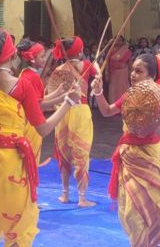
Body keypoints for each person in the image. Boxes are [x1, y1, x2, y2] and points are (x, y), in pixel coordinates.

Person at [0, 29, 80, 246]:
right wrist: (68, 103)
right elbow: (42, 128)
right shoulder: (21, 84)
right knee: (17, 224)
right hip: (7, 162)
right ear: (10, 55)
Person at [92, 54, 160, 246]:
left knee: (151, 210)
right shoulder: (129, 96)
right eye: (132, 70)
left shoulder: (158, 100)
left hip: (149, 157)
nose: (133, 75)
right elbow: (107, 111)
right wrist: (98, 92)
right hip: (129, 155)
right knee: (131, 211)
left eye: (139, 71)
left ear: (151, 76)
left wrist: (148, 117)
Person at [52, 36, 97, 207]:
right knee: (81, 153)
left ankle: (64, 194)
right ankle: (82, 197)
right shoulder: (85, 66)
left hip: (63, 110)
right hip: (80, 111)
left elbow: (54, 93)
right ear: (79, 51)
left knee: (64, 152)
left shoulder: (59, 70)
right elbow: (98, 73)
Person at [17, 39, 68, 164]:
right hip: (31, 122)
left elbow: (37, 99)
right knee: (30, 159)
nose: (45, 59)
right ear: (33, 59)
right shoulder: (32, 77)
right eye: (42, 56)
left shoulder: (26, 73)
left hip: (28, 119)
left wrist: (58, 93)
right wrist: (63, 99)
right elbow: (37, 104)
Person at [106, 36, 132, 102]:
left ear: (123, 42)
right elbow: (106, 62)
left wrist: (130, 72)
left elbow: (130, 62)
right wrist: (106, 73)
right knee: (113, 88)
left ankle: (124, 103)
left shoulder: (126, 50)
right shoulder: (110, 50)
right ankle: (113, 104)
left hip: (123, 73)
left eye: (120, 40)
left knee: (123, 88)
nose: (118, 41)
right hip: (113, 73)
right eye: (116, 40)